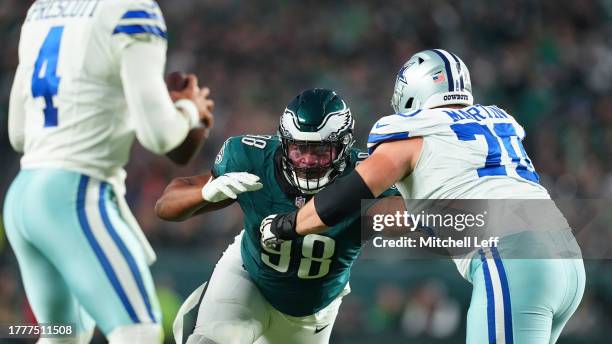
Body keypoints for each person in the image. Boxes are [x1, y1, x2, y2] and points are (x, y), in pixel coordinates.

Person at [261, 50, 586, 343]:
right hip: (567, 259)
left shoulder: (412, 133)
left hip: (514, 259)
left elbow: (345, 197)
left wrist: (287, 225)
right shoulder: (492, 124)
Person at [4, 0, 214, 343]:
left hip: (24, 195)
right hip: (73, 194)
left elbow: (18, 132)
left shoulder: (41, 10)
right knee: (139, 329)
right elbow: (159, 135)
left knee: (62, 336)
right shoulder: (133, 10)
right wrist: (190, 110)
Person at [155, 88, 399, 344]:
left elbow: (410, 218)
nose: (306, 161)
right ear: (283, 143)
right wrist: (205, 193)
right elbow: (164, 207)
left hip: (313, 309)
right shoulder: (252, 158)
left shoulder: (367, 174)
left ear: (343, 146)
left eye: (319, 152)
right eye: (298, 150)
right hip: (249, 275)